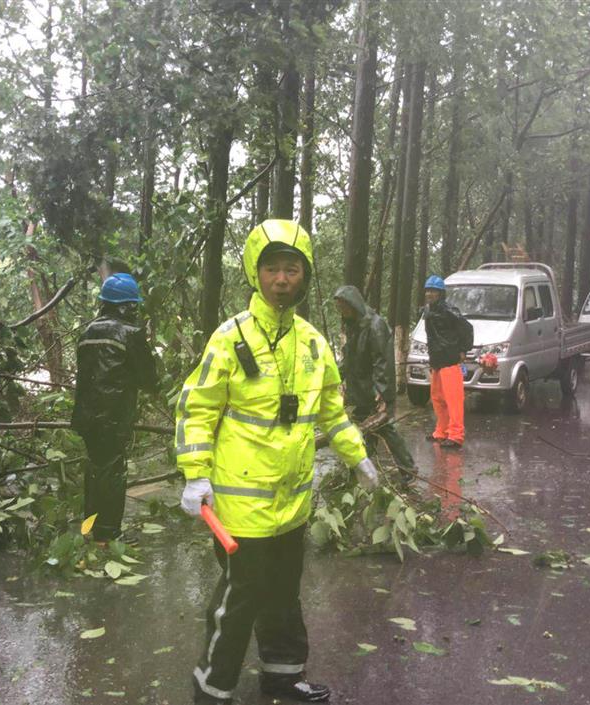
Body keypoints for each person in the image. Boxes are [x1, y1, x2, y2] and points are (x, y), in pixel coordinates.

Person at [176, 219, 378, 705]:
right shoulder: (230, 338)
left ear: (304, 277)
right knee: (239, 599)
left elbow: (332, 410)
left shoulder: (312, 342)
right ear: (255, 272)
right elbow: (195, 408)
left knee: (285, 595)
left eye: (292, 269)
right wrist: (195, 474)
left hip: (292, 502)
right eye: (273, 269)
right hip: (240, 508)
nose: (282, 278)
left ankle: (283, 677)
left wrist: (359, 457)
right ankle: (213, 688)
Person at [72, 273, 159, 542]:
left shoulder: (87, 332)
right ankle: (108, 535)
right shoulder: (131, 333)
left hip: (86, 417)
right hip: (113, 418)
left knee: (94, 470)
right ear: (127, 306)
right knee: (113, 473)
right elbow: (148, 378)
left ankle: (88, 530)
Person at [333, 284, 415, 482]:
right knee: (364, 430)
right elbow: (350, 358)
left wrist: (382, 392)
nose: (341, 311)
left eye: (344, 307)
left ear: (353, 304)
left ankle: (408, 470)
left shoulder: (375, 325)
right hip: (360, 390)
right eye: (339, 308)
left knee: (384, 429)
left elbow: (382, 361)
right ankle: (360, 472)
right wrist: (334, 376)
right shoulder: (353, 325)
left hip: (374, 392)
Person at [422, 275, 473, 449]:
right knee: (437, 398)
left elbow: (467, 329)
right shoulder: (428, 311)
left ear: (441, 293)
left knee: (453, 400)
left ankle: (456, 435)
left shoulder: (450, 311)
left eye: (433, 291)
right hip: (436, 361)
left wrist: (463, 350)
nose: (430, 294)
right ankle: (441, 431)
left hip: (450, 361)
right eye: (428, 291)